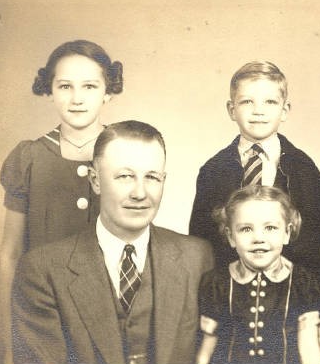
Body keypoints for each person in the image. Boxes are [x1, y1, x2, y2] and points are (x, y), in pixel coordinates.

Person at [11, 120, 214, 363]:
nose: (140, 193)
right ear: (96, 181)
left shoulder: (198, 257)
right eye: (125, 176)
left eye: (152, 177)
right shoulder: (42, 270)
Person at [0, 39, 123, 362]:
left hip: (111, 320)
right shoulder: (30, 158)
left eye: (90, 86)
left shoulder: (126, 153)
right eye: (65, 86)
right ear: (49, 90)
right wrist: (12, 344)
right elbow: (10, 254)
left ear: (108, 92)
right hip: (42, 320)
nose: (77, 98)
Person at [189, 61, 320, 277]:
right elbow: (201, 244)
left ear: (284, 110)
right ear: (232, 110)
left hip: (292, 289)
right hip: (229, 288)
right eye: (247, 102)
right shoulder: (213, 170)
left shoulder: (304, 168)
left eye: (269, 102)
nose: (258, 111)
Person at [196, 185, 320, 364]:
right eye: (246, 229)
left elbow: (309, 349)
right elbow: (206, 350)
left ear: (287, 233)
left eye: (271, 228)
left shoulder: (303, 282)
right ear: (231, 237)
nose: (259, 237)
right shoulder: (217, 282)